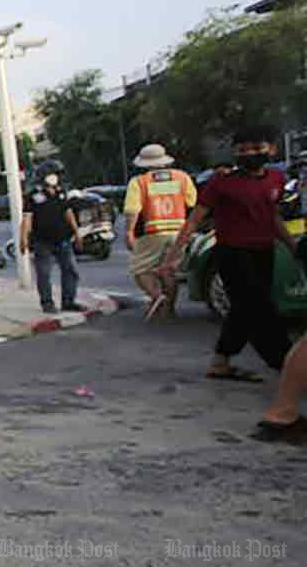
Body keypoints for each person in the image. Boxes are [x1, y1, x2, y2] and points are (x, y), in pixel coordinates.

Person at [162, 126, 296, 382]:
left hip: (263, 251)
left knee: (242, 311)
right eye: (243, 150)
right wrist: (173, 257)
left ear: (271, 149)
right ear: (234, 153)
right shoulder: (222, 184)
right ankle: (287, 363)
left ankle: (220, 363)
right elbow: (194, 221)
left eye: (257, 149)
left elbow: (273, 218)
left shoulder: (276, 179)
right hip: (233, 254)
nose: (250, 154)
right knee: (260, 308)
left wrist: (293, 247)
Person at [124, 143, 196, 320]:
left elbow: (132, 210)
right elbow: (193, 203)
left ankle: (158, 297)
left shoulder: (139, 182)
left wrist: (129, 232)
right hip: (179, 231)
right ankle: (169, 310)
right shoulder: (182, 177)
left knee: (140, 269)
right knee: (168, 270)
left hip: (152, 232)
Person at [21, 160, 84, 314]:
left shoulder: (62, 193)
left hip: (63, 239)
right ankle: (47, 303)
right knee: (44, 274)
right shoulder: (33, 196)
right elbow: (27, 219)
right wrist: (23, 239)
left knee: (70, 270)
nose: (56, 178)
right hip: (42, 241)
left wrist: (77, 232)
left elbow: (68, 213)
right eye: (53, 175)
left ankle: (68, 301)